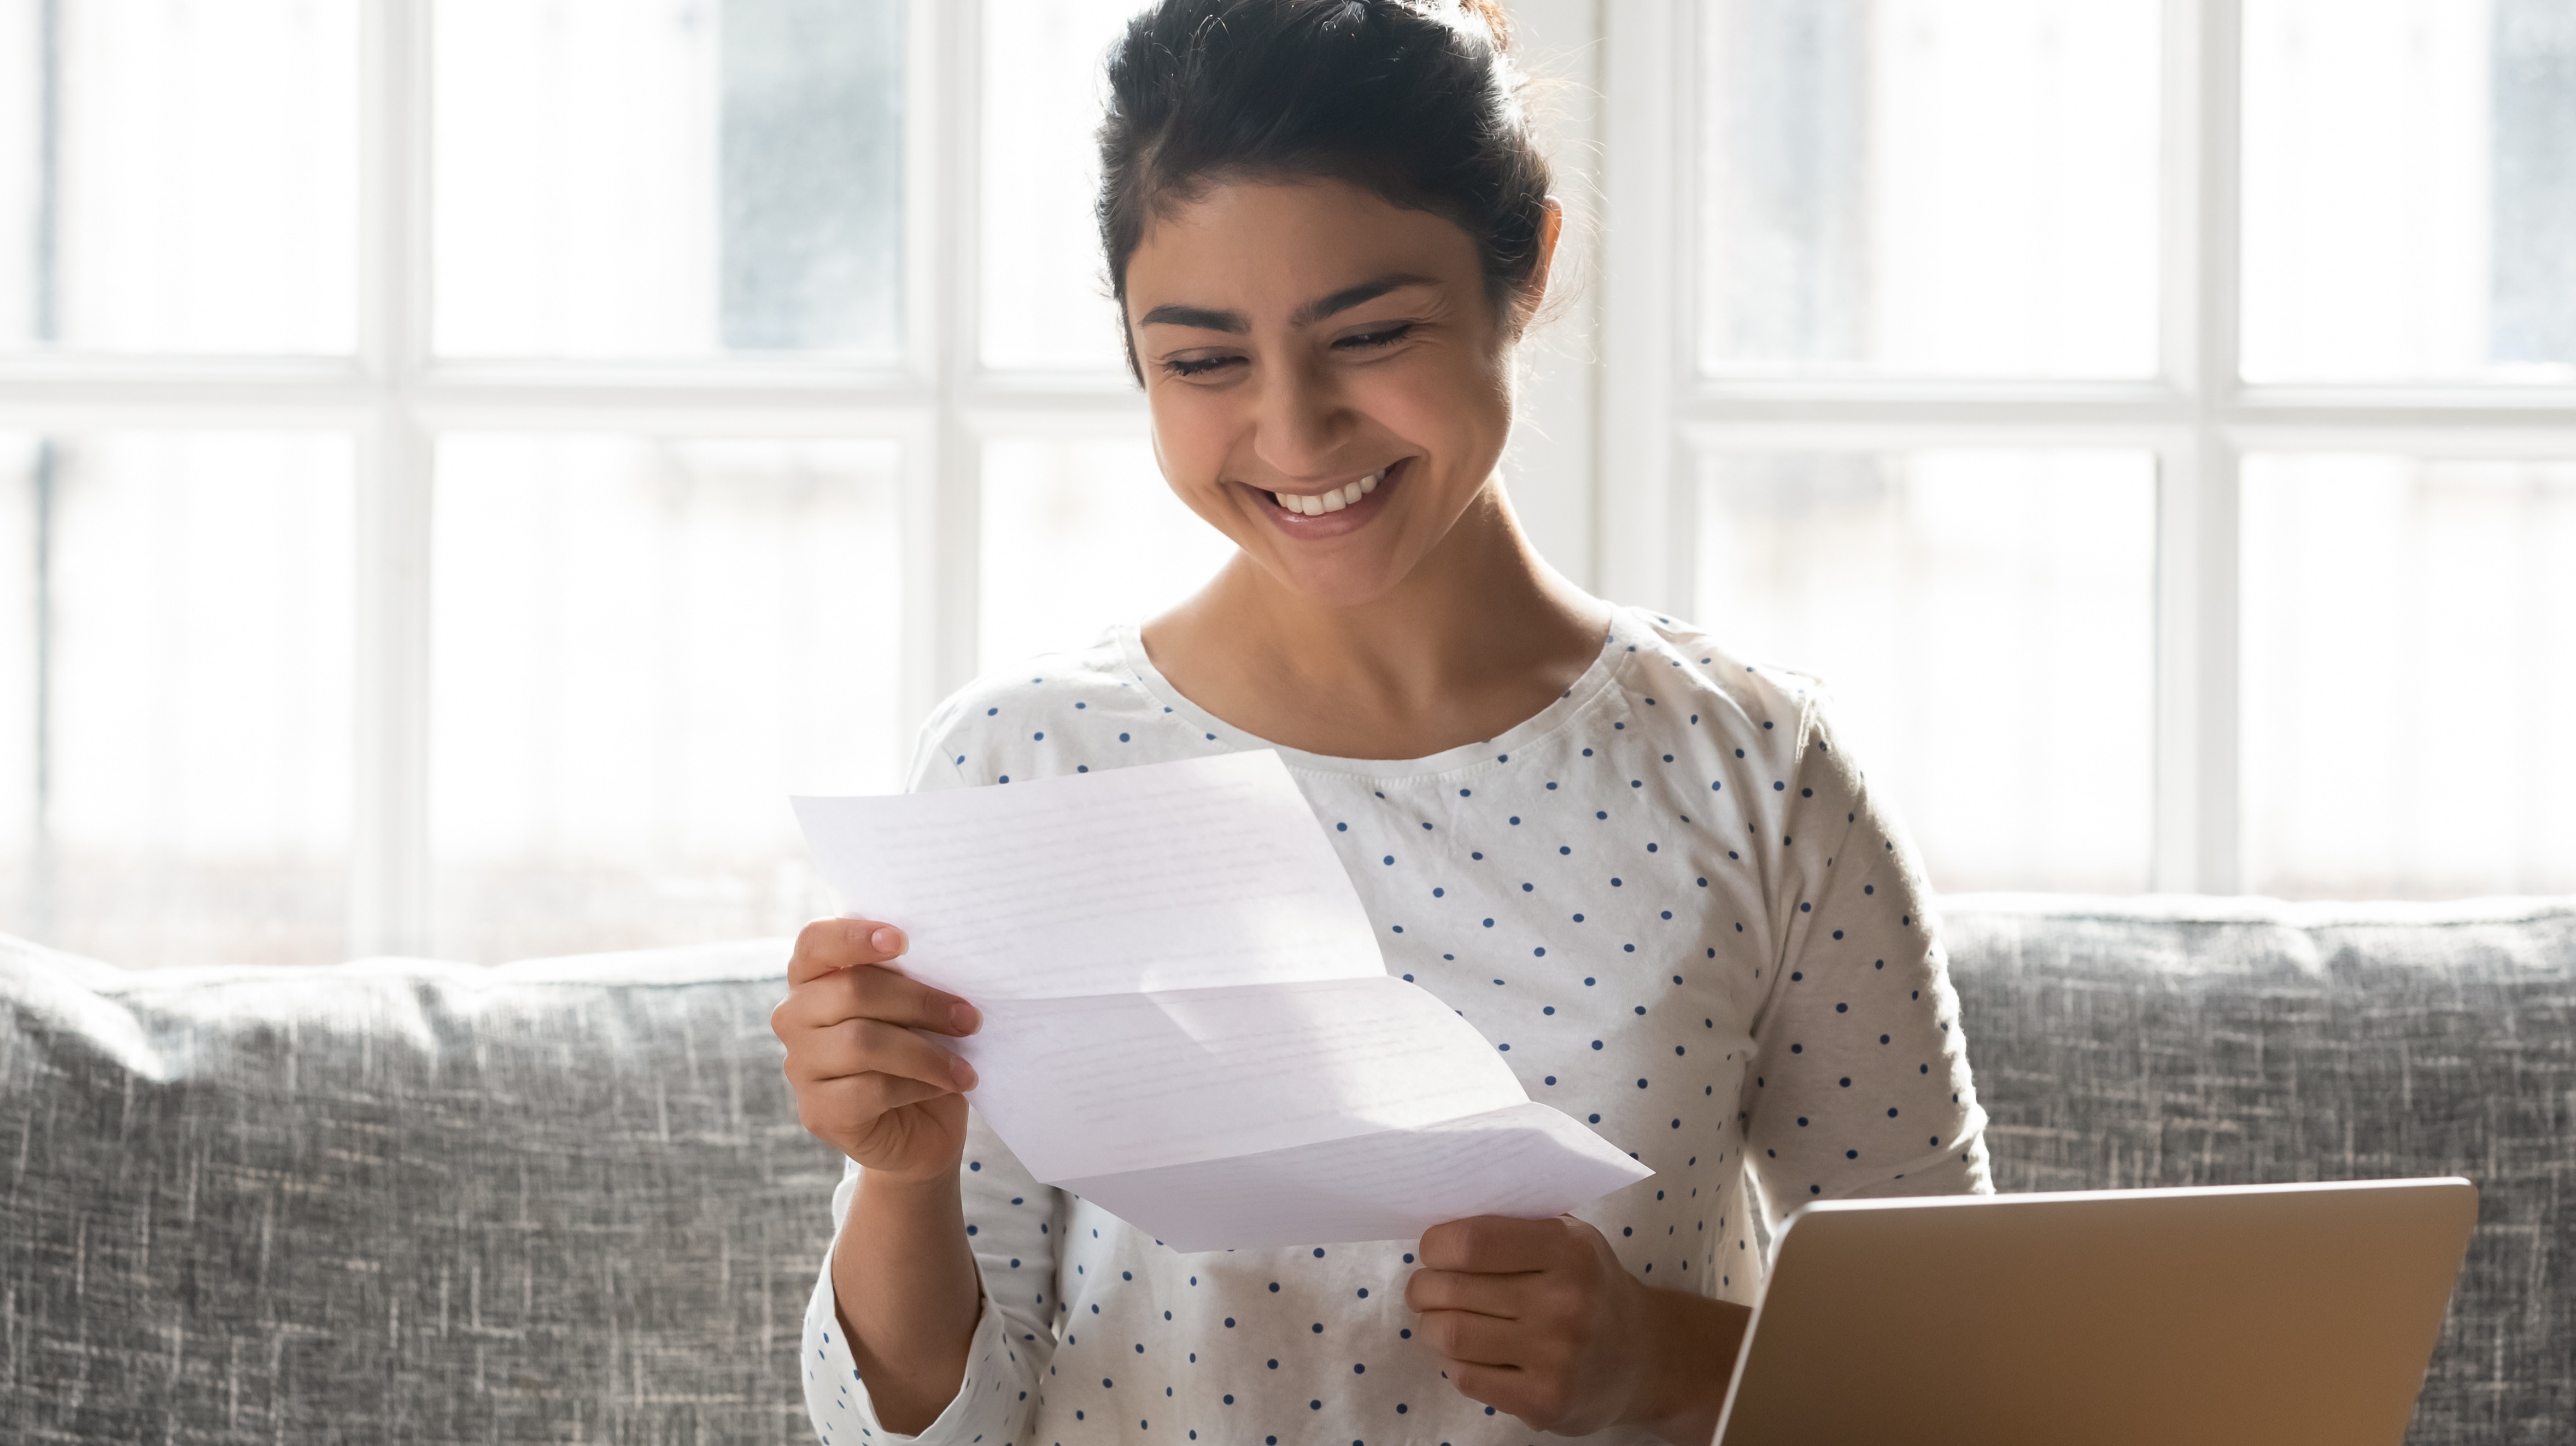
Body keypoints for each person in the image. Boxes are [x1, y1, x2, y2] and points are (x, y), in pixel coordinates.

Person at [770, 2, 1990, 1440]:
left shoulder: (1755, 772)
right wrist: (901, 1175)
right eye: (1204, 360)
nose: (1294, 437)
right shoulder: (1018, 767)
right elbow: (924, 1431)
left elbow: (1968, 1380)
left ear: (1524, 269)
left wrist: (1661, 1364)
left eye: (1369, 334)